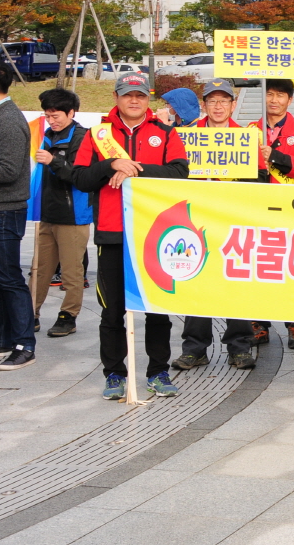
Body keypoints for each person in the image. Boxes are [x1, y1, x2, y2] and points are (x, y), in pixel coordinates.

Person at [72, 73, 189, 398]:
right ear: (116, 96)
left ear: (147, 98)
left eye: (139, 95)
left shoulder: (164, 133)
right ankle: (114, 374)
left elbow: (180, 172)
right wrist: (111, 163)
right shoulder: (98, 134)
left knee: (157, 309)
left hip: (154, 235)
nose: (134, 100)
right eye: (127, 95)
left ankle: (158, 371)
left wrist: (133, 167)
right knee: (112, 311)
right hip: (112, 234)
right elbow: (80, 178)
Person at [172, 79, 257, 372]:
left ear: (233, 105)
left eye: (224, 101)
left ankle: (240, 346)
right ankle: (195, 347)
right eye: (212, 101)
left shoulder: (246, 137)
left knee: (236, 284)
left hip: (233, 223)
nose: (218, 106)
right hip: (196, 222)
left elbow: (257, 183)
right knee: (196, 283)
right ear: (204, 105)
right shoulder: (185, 136)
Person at [250, 78, 294, 348]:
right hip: (258, 209)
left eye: (280, 95)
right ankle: (258, 324)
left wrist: (275, 156)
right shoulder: (250, 130)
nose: (274, 100)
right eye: (270, 94)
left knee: (293, 267)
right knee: (258, 267)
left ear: (290, 100)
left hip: (291, 210)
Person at [0, 59, 35, 370]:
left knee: (8, 278)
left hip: (2, 212)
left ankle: (25, 343)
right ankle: (0, 338)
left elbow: (9, 170)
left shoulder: (9, 120)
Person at [31, 88, 92, 338]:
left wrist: (53, 161)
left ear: (71, 112)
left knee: (71, 271)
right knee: (40, 268)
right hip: (48, 212)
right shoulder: (47, 135)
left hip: (73, 215)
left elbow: (80, 176)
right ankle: (29, 313)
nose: (52, 121)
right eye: (48, 116)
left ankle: (68, 315)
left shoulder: (83, 137)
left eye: (56, 116)